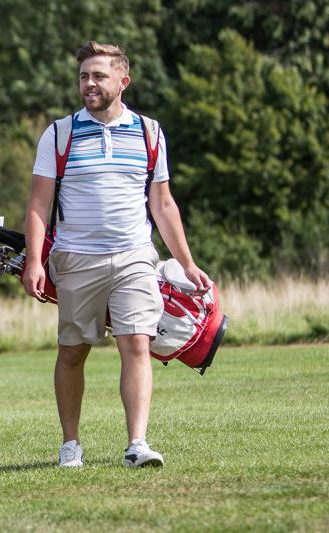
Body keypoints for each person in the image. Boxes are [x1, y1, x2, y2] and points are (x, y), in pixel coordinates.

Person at [22, 42, 211, 468]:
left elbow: (163, 205)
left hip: (134, 257)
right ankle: (70, 444)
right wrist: (34, 260)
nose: (88, 84)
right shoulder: (59, 133)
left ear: (123, 81)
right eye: (84, 76)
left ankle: (137, 444)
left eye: (98, 76)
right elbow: (38, 204)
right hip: (75, 259)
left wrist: (187, 261)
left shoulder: (150, 132)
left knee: (137, 344)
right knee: (73, 350)